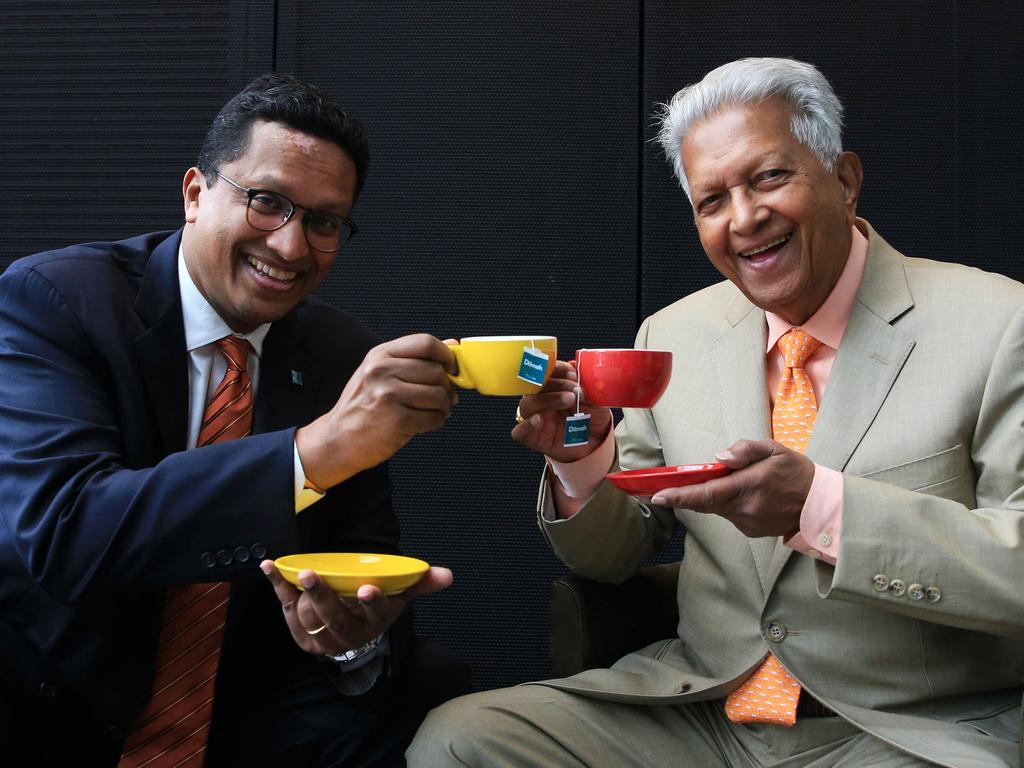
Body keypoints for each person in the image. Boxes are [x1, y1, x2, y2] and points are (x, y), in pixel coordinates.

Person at [408, 58, 1024, 767]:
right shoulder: (673, 335)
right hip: (704, 712)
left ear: (845, 179)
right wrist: (581, 458)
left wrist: (821, 507)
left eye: (768, 177)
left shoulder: (998, 323)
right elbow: (613, 555)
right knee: (458, 743)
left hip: (902, 728)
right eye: (712, 201)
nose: (745, 219)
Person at [0, 73, 469, 767]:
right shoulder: (55, 301)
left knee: (430, 688)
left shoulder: (343, 353)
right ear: (196, 193)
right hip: (50, 692)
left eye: (323, 221)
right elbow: (66, 528)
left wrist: (351, 632)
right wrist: (312, 454)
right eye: (267, 202)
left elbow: (362, 564)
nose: (290, 246)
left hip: (240, 706)